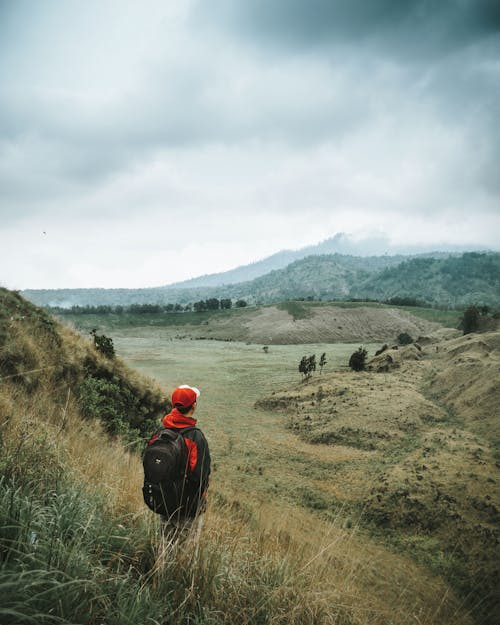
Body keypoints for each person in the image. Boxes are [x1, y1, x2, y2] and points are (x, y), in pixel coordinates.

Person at [160, 384, 211, 541]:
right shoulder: (196, 437)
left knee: (165, 548)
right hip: (188, 508)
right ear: (193, 406)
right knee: (186, 556)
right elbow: (200, 476)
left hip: (164, 501)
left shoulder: (161, 432)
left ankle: (161, 566)